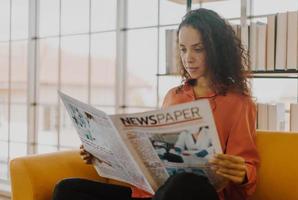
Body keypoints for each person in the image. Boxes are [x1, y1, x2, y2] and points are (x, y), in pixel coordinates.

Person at [52, 8, 259, 200]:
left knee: (184, 182)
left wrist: (242, 173)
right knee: (66, 189)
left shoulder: (239, 102)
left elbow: (248, 170)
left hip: (196, 193)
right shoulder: (173, 96)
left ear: (217, 50)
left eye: (198, 49)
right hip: (155, 193)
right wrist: (100, 154)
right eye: (183, 49)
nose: (189, 58)